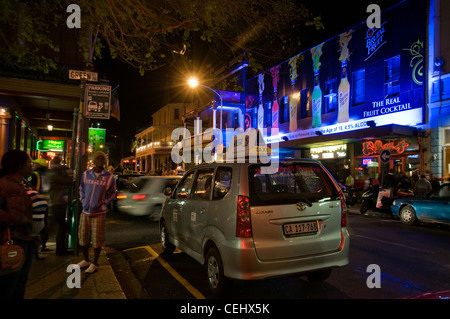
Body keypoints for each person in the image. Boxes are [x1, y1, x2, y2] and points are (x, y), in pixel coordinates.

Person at [0, 150, 34, 299]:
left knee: (20, 282)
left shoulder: (21, 184)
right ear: (19, 166)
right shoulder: (4, 185)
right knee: (10, 286)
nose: (31, 165)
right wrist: (17, 217)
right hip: (11, 241)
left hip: (24, 238)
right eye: (29, 162)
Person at [77, 151, 116, 274]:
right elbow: (81, 188)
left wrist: (104, 202)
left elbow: (113, 193)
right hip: (85, 211)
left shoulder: (109, 176)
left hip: (99, 213)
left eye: (102, 158)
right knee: (83, 237)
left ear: (105, 161)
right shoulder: (86, 174)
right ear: (94, 160)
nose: (100, 160)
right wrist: (83, 199)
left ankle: (95, 263)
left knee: (97, 239)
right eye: (98, 158)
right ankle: (86, 260)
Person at [47, 156, 73, 256]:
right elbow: (68, 181)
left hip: (57, 202)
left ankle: (60, 249)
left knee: (59, 226)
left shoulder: (53, 173)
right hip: (56, 203)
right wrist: (69, 173)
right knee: (62, 226)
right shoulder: (54, 174)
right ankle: (60, 250)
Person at [29, 157, 50, 256]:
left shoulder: (34, 174)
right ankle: (43, 244)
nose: (34, 165)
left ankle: (35, 249)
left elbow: (30, 186)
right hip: (45, 202)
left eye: (36, 164)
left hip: (36, 201)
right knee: (43, 223)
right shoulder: (47, 175)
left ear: (39, 165)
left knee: (34, 226)